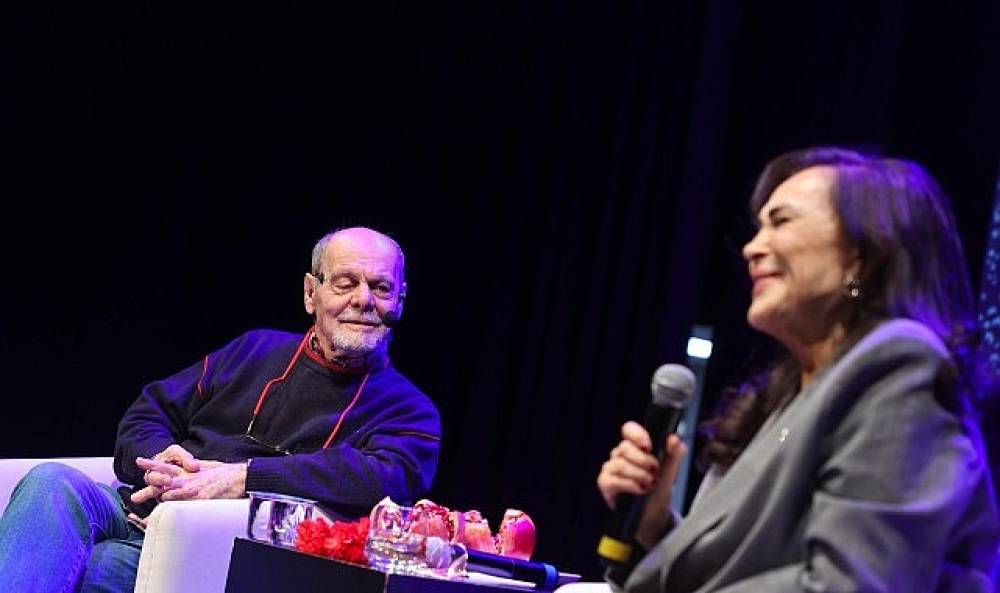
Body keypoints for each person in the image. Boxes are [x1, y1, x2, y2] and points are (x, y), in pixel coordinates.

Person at [597, 147, 1000, 592]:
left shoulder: (897, 368)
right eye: (758, 228)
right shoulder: (784, 405)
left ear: (861, 256)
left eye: (781, 221)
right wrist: (655, 524)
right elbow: (738, 573)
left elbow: (850, 584)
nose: (751, 248)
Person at [0, 226, 442, 592]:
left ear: (400, 301)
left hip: (213, 551)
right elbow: (148, 413)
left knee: (95, 568)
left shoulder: (410, 412)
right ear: (312, 293)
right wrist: (162, 464)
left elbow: (374, 478)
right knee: (50, 481)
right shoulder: (255, 349)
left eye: (381, 287)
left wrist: (241, 478)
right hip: (140, 508)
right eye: (345, 283)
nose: (363, 300)